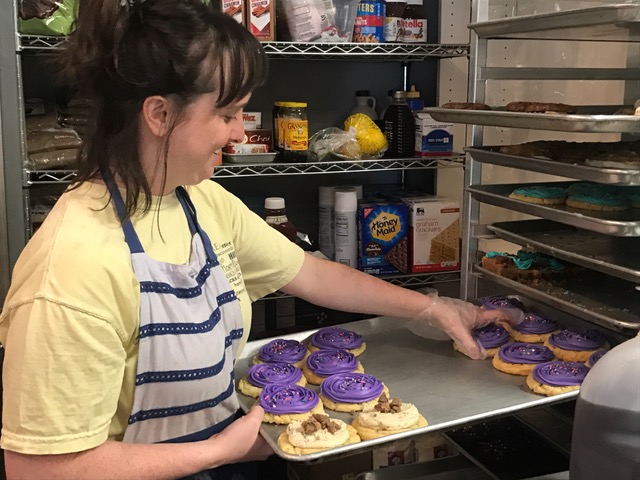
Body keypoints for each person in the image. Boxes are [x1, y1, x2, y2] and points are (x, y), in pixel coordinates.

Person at [0, 1, 512, 479]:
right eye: (225, 115)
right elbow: (39, 470)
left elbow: (310, 273)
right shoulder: (71, 270)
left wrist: (431, 309)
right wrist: (221, 451)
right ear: (159, 115)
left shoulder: (196, 200)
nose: (240, 134)